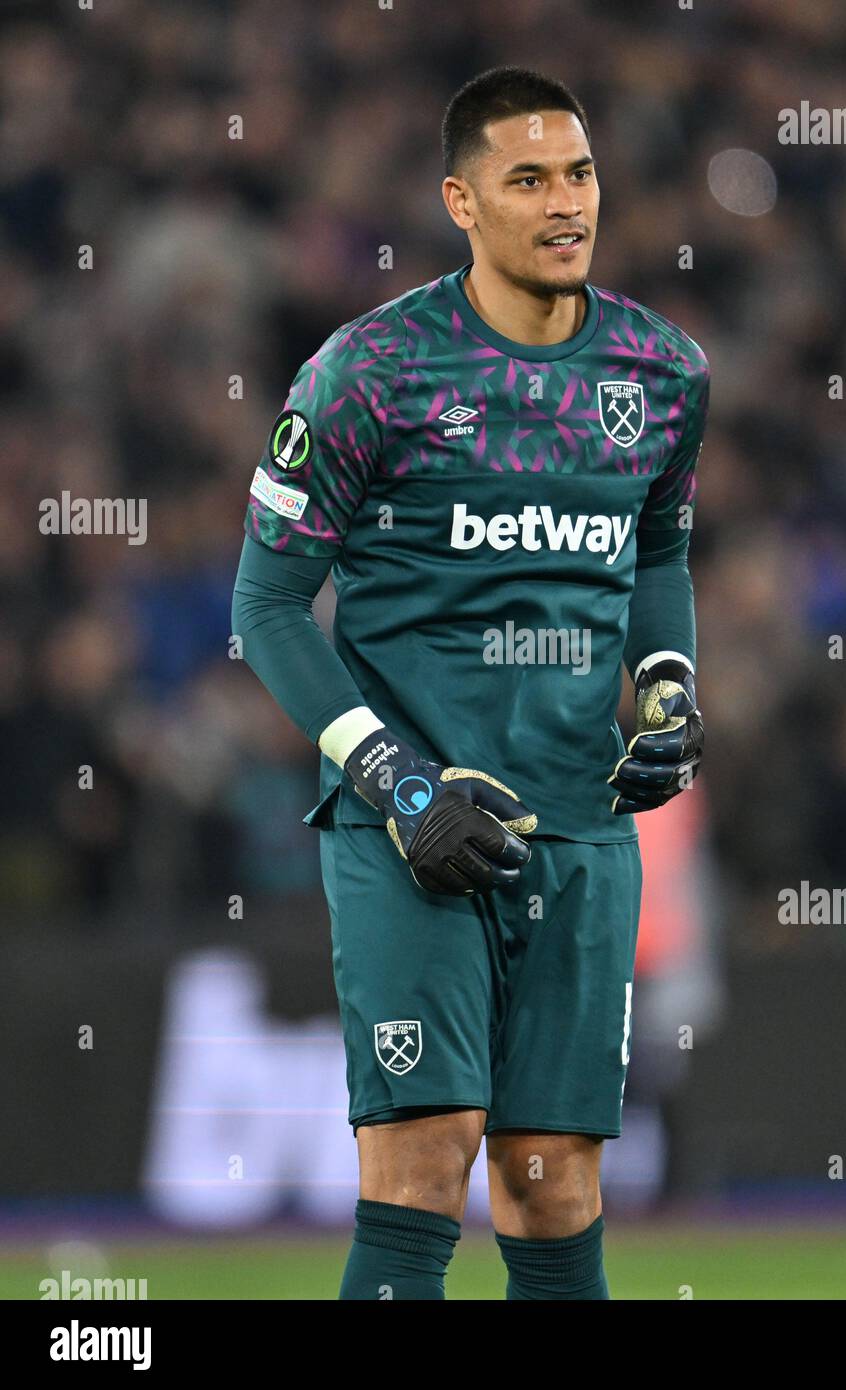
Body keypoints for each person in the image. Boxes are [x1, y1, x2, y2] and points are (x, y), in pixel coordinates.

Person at [231, 64, 709, 1300]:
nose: (566, 203)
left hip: (580, 829)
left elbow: (656, 548)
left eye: (581, 173)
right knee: (420, 1164)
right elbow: (269, 605)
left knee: (553, 1181)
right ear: (461, 200)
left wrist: (664, 688)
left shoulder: (662, 374)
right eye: (528, 179)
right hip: (408, 828)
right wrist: (393, 780)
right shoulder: (368, 373)